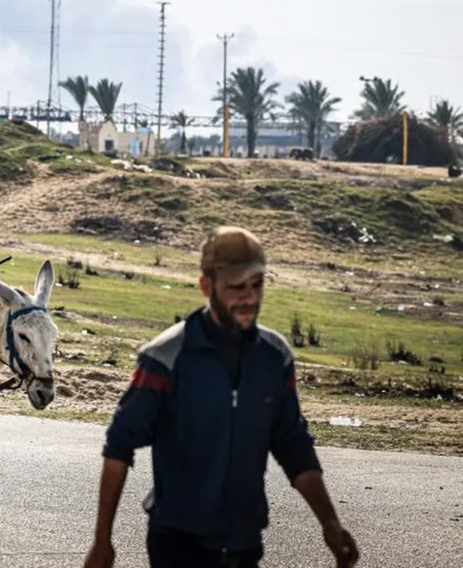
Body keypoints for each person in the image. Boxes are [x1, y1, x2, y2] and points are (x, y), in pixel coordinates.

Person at [82, 226, 360, 568]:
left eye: (257, 285)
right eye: (236, 287)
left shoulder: (275, 358)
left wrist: (330, 523)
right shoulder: (165, 357)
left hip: (245, 544)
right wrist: (102, 542)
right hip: (177, 545)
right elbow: (118, 448)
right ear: (206, 286)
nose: (249, 298)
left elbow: (293, 445)